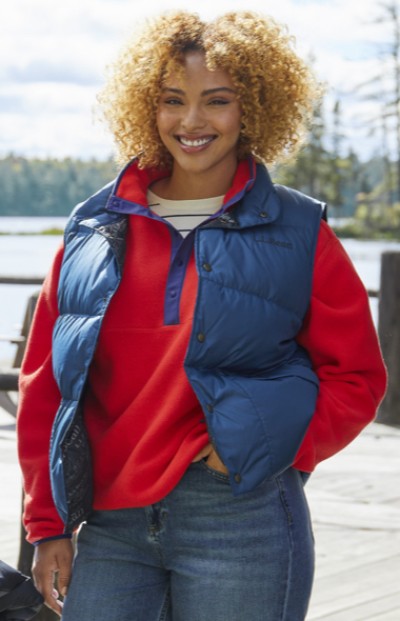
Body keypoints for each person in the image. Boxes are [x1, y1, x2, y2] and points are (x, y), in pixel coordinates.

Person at [17, 10, 387, 621]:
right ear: (147, 106)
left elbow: (356, 378)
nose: (191, 122)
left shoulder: (297, 230)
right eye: (172, 99)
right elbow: (46, 387)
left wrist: (260, 448)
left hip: (240, 514)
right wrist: (46, 523)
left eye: (217, 100)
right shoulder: (93, 228)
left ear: (254, 109)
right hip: (110, 522)